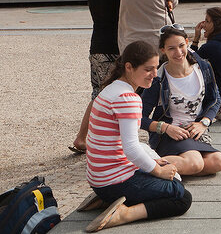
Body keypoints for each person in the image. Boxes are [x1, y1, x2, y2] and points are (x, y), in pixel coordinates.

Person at [81, 41, 192, 231]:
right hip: (113, 181)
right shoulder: (128, 98)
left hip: (99, 179)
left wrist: (156, 163)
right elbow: (131, 148)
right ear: (129, 67)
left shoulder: (110, 89)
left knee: (166, 171)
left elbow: (127, 147)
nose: (154, 75)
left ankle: (108, 200)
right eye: (148, 69)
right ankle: (123, 214)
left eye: (156, 68)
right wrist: (157, 171)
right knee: (181, 196)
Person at [140, 27, 221, 177]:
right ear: (163, 50)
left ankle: (171, 169)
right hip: (169, 135)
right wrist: (166, 128)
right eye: (171, 48)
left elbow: (215, 100)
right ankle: (143, 167)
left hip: (195, 132)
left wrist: (204, 123)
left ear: (187, 42)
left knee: (218, 162)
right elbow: (139, 117)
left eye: (181, 46)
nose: (179, 52)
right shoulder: (158, 79)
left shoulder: (203, 68)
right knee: (195, 162)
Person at [71, 0, 125, 154]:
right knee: (115, 93)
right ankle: (95, 139)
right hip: (115, 42)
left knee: (99, 93)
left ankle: (82, 137)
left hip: (98, 43)